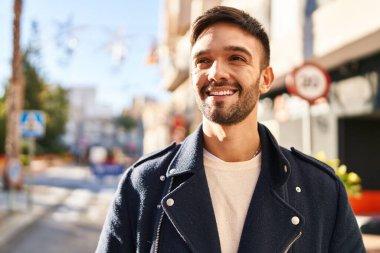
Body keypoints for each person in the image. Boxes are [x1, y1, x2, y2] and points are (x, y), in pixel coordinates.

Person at [96, 6, 365, 253]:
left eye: (236, 58)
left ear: (265, 79)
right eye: (203, 61)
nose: (216, 73)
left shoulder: (320, 189)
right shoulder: (143, 185)